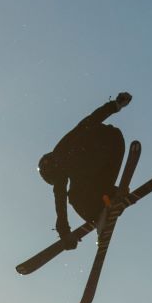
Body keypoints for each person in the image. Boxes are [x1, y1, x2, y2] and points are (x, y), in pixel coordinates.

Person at [37, 92, 133, 249]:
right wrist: (115, 105)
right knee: (93, 188)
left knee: (75, 195)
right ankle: (110, 197)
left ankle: (100, 211)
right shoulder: (65, 151)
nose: (60, 182)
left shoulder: (59, 159)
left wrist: (64, 232)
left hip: (101, 148)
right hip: (114, 144)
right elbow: (88, 122)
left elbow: (60, 197)